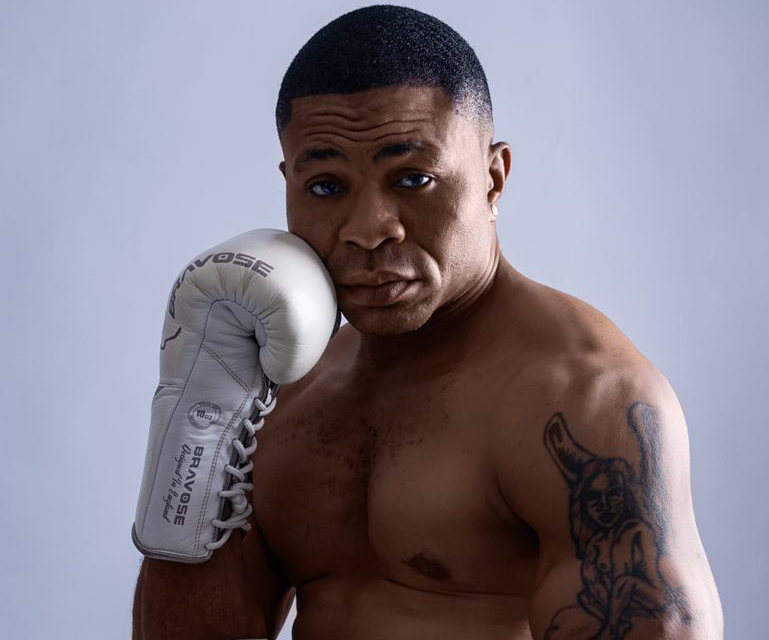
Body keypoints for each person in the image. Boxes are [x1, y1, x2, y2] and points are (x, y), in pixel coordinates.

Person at [132, 5, 723, 639]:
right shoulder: (279, 388)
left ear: (493, 179)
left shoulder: (582, 399)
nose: (368, 230)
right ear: (288, 183)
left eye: (413, 179)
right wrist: (198, 419)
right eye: (326, 186)